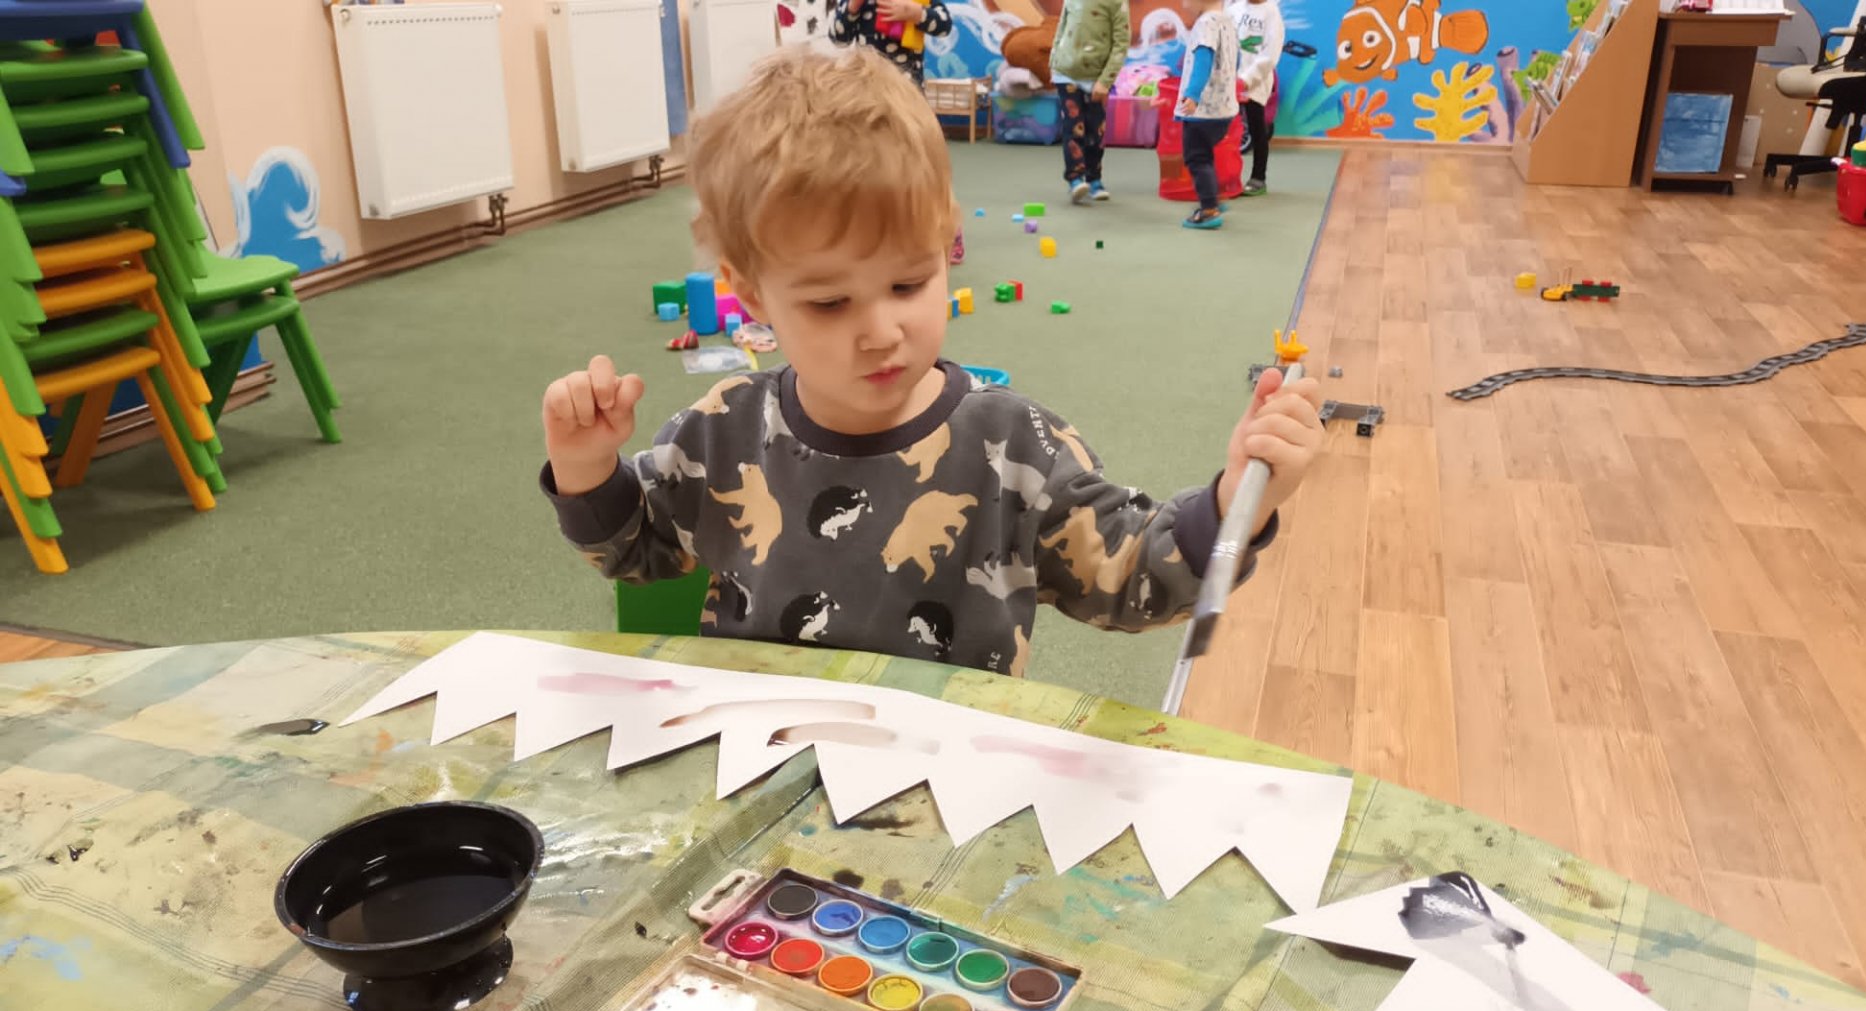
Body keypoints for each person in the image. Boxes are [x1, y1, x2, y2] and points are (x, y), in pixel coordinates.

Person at [539, 47, 1323, 677]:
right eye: (829, 302)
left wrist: (1236, 502)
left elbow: (1131, 580)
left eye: (908, 284)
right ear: (751, 296)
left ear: (947, 248)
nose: (881, 331)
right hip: (762, 758)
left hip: (942, 778)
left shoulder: (1015, 445)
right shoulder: (722, 431)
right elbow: (638, 552)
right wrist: (585, 468)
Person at [829, 0, 965, 262]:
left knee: (922, 162)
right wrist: (853, 8)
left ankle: (947, 227)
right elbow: (838, 36)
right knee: (870, 163)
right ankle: (878, 229)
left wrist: (917, 13)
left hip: (907, 95)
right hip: (868, 96)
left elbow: (944, 24)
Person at [1050, 0, 1132, 205]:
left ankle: (1094, 178)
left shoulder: (1117, 3)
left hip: (1096, 79)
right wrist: (1054, 61)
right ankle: (1075, 178)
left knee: (1095, 132)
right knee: (1073, 127)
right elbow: (1062, 27)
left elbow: (1121, 43)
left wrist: (1105, 81)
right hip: (1066, 74)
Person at [1174, 0, 1240, 229]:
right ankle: (1212, 197)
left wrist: (1192, 95)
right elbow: (1234, 60)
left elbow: (1203, 60)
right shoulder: (1227, 21)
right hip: (1223, 108)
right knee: (1205, 156)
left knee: (1197, 158)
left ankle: (1209, 209)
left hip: (1204, 110)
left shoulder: (1205, 24)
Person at [1228, 0, 1282, 196]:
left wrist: (1248, 79)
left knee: (1257, 128)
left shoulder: (1271, 13)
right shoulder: (1234, 9)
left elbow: (1270, 54)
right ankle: (1226, 176)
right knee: (1226, 131)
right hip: (1230, 81)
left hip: (1255, 83)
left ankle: (1258, 178)